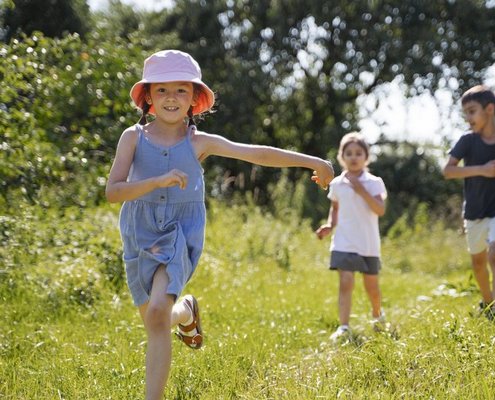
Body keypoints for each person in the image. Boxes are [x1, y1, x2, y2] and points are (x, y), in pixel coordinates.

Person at [105, 49, 334, 400]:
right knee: (156, 319)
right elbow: (113, 192)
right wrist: (156, 181)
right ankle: (187, 312)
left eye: (181, 90)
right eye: (162, 90)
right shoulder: (132, 138)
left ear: (195, 98)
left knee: (156, 311)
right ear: (148, 97)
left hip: (179, 233)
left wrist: (312, 160)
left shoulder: (199, 142)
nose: (171, 98)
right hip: (139, 234)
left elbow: (256, 153)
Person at [443, 85, 495, 323]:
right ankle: (488, 301)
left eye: (472, 111)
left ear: (489, 109)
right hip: (474, 212)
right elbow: (448, 170)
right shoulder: (467, 141)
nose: (468, 118)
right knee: (478, 263)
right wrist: (481, 170)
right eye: (466, 113)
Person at [315, 133, 387, 341]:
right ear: (341, 157)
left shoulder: (374, 182)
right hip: (344, 241)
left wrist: (361, 189)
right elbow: (335, 207)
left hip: (368, 243)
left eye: (358, 153)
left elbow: (380, 209)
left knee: (371, 287)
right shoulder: (336, 184)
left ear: (366, 157)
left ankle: (377, 315)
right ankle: (344, 326)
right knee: (345, 282)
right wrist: (330, 225)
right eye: (349, 153)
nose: (354, 157)